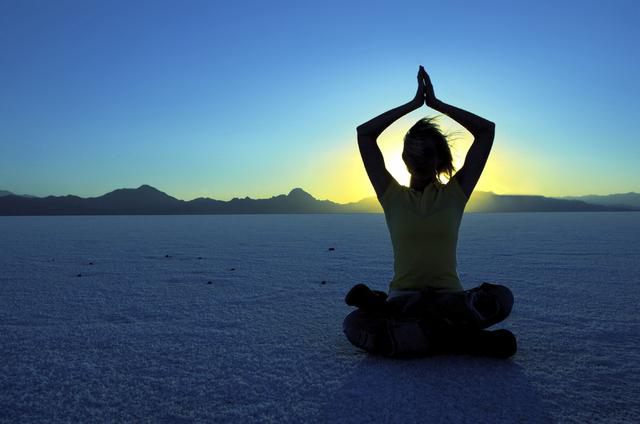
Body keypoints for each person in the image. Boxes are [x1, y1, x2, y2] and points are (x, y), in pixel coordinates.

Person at [343, 65, 516, 358]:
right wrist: (412, 105)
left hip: (449, 300)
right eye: (415, 151)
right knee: (353, 325)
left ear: (439, 159)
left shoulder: (455, 194)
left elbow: (486, 132)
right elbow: (365, 135)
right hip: (405, 300)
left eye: (428, 151)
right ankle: (463, 340)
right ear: (405, 158)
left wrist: (437, 105)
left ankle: (400, 321)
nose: (420, 158)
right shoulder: (391, 195)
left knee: (502, 298)